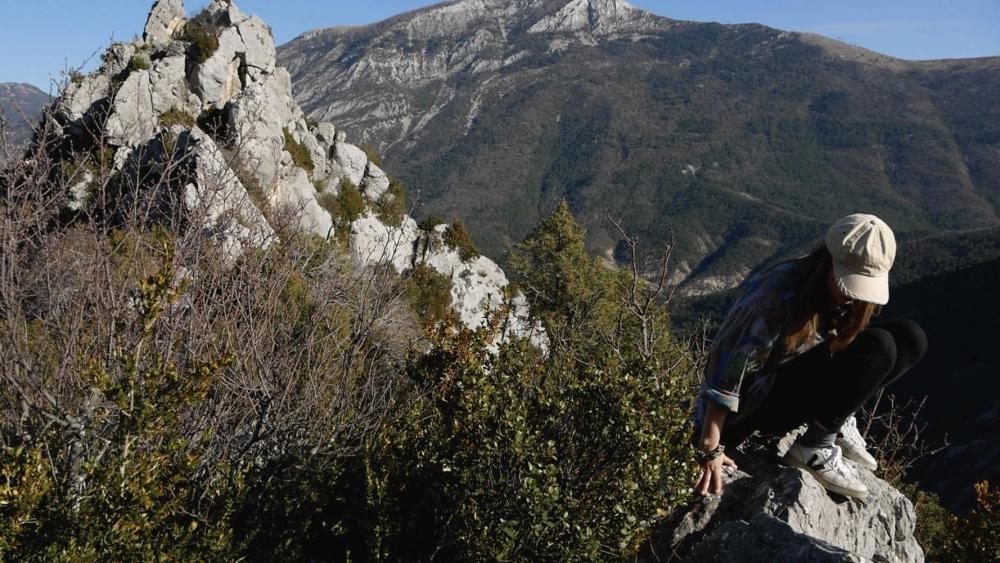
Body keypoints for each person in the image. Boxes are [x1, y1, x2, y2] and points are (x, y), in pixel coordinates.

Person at [694, 213, 927, 500]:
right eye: (849, 280)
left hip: (793, 383)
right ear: (828, 261)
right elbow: (729, 365)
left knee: (911, 337)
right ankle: (813, 446)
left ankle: (833, 421)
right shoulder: (778, 293)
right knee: (880, 346)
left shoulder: (835, 294)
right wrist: (711, 444)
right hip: (754, 407)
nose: (854, 296)